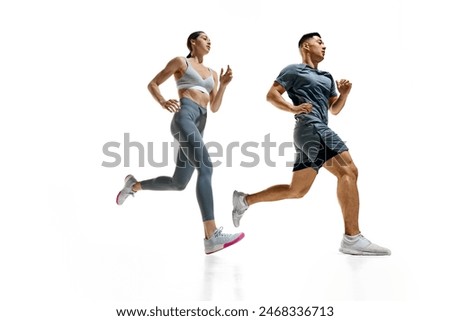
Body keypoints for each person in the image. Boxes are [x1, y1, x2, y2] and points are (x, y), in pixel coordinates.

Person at [232, 32, 390, 256]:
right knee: (349, 171)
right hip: (311, 128)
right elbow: (271, 94)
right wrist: (292, 108)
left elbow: (333, 109)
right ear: (306, 46)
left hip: (311, 131)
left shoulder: (326, 76)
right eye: (319, 42)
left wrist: (344, 94)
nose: (324, 46)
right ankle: (352, 237)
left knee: (297, 190)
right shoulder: (293, 70)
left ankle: (244, 200)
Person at [116, 31, 244, 254]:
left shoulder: (213, 74)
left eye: (210, 39)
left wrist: (223, 85)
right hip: (184, 119)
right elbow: (153, 83)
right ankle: (211, 234)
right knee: (206, 167)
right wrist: (163, 101)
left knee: (179, 183)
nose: (209, 41)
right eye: (204, 38)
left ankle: (133, 185)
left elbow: (213, 107)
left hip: (200, 123)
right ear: (192, 42)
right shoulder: (181, 62)